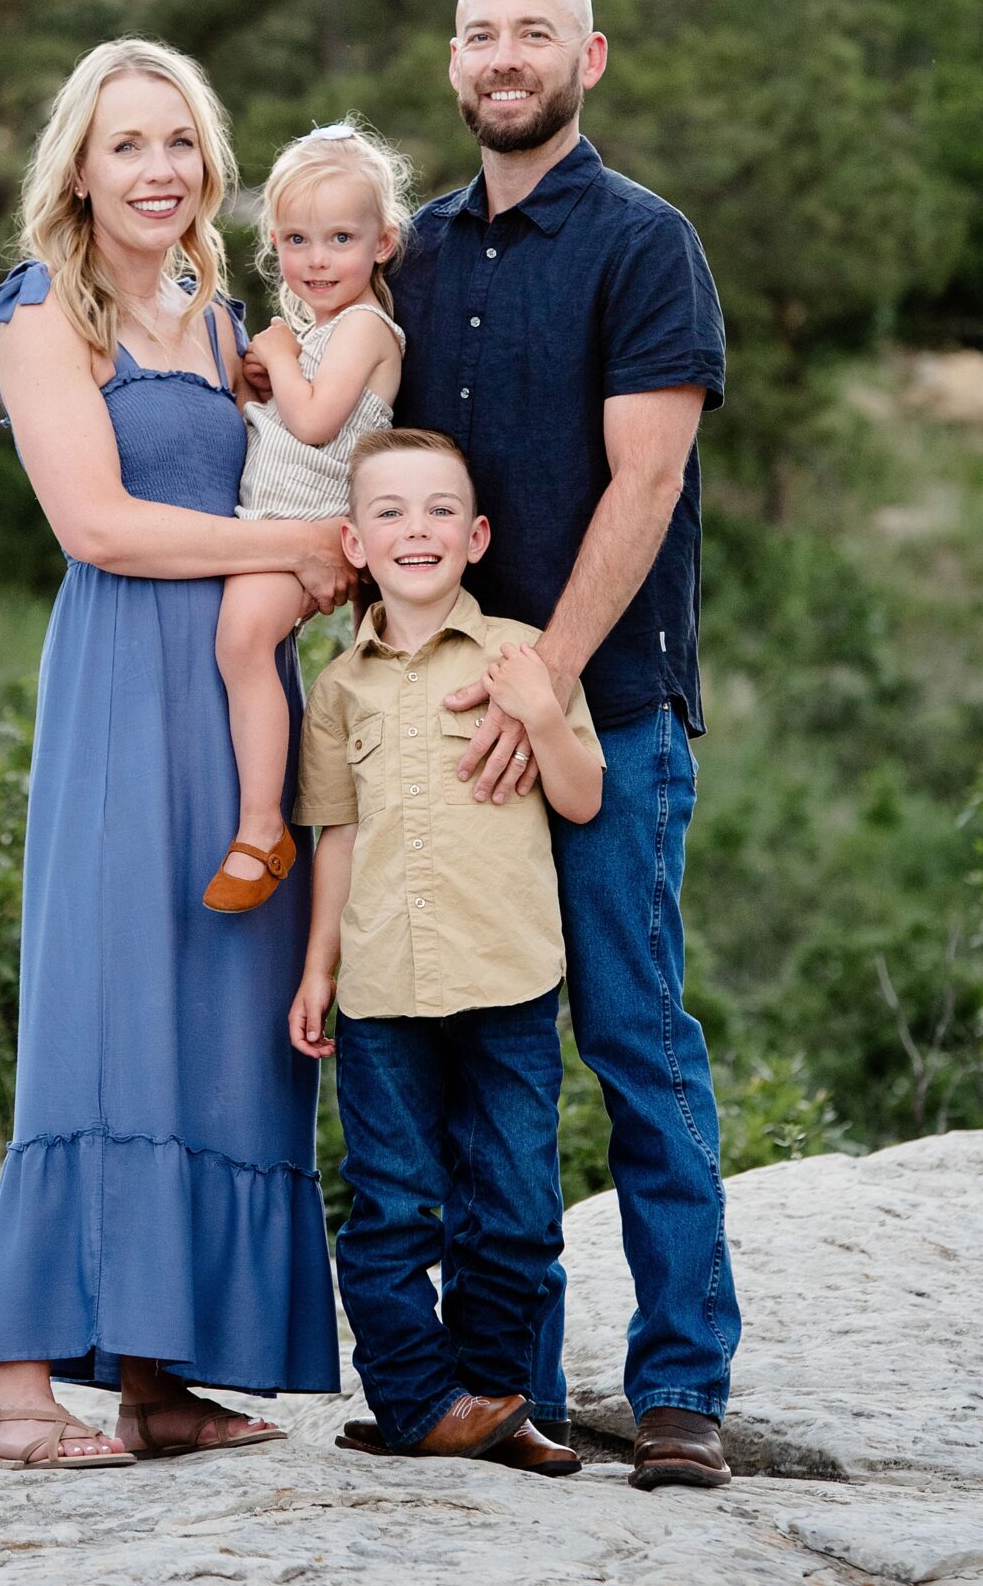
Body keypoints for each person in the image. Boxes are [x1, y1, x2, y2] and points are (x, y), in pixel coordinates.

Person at [0, 38, 345, 1474]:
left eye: (178, 142)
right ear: (77, 163)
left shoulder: (220, 304)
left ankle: (159, 1378)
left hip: (245, 695)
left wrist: (349, 550)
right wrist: (290, 547)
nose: (157, 169)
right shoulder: (42, 310)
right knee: (110, 1005)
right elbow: (98, 528)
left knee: (223, 1014)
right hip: (127, 683)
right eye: (127, 143)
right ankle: (9, 1388)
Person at [391, 0, 741, 1492]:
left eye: (533, 31)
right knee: (485, 1054)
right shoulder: (416, 252)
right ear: (455, 64)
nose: (504, 55)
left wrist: (547, 668)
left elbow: (648, 479)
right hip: (450, 731)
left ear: (587, 59)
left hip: (603, 709)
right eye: (480, 33)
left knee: (634, 1039)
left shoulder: (644, 243)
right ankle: (502, 1388)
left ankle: (678, 1389)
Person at [289, 428, 602, 1476]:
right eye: (387, 512)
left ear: (473, 536)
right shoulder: (338, 689)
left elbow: (581, 795)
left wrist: (538, 715)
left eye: (436, 511)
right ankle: (419, 1399)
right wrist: (317, 967)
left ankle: (494, 1398)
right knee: (388, 1208)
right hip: (380, 985)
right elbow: (333, 833)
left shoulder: (524, 653)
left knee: (514, 1209)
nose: (412, 529)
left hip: (505, 974)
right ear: (353, 540)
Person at [207, 122, 409, 913]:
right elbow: (285, 416)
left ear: (382, 242)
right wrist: (264, 379)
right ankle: (260, 813)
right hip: (266, 517)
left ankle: (264, 827)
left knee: (242, 639)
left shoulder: (363, 327)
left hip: (311, 526)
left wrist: (282, 359)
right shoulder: (318, 330)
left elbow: (320, 421)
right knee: (238, 645)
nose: (316, 259)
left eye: (339, 238)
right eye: (296, 239)